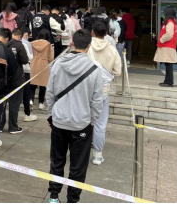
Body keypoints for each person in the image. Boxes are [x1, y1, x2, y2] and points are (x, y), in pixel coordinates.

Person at [46, 29, 104, 204]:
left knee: (57, 161)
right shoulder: (94, 70)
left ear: (72, 43)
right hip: (82, 123)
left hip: (59, 121)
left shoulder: (58, 64)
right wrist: (91, 121)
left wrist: (51, 114)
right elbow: (97, 101)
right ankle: (73, 200)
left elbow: (50, 92)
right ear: (89, 45)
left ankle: (53, 197)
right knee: (78, 166)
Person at [88, 22, 122, 166]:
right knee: (100, 124)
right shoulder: (112, 50)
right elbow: (118, 71)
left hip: (85, 89)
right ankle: (97, 155)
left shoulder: (86, 46)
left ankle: (80, 152)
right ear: (106, 33)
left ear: (92, 32)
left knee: (83, 122)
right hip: (102, 91)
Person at [2, 28, 29, 135]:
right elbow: (25, 60)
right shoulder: (19, 45)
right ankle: (13, 127)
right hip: (17, 78)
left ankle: (0, 125)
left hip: (4, 78)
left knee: (2, 104)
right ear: (19, 36)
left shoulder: (4, 44)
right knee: (14, 104)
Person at [30, 29, 55, 111]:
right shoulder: (48, 45)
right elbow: (51, 58)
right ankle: (41, 103)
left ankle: (31, 100)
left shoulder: (32, 43)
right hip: (44, 65)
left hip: (34, 63)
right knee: (43, 85)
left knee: (32, 84)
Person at [156, 7, 177, 88]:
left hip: (167, 46)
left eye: (165, 12)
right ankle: (167, 81)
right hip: (169, 46)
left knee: (168, 65)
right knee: (168, 64)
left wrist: (161, 39)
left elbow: (169, 34)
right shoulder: (173, 22)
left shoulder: (170, 22)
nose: (164, 14)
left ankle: (169, 82)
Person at [20, 27, 37, 122]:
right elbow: (30, 57)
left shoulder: (12, 42)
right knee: (26, 93)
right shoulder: (27, 43)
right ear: (26, 34)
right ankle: (27, 114)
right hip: (26, 70)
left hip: (16, 71)